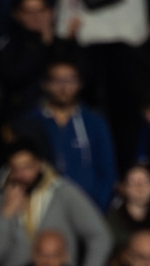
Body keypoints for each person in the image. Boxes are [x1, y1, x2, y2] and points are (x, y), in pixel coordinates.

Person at [0, 143, 113, 266]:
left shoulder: (63, 193)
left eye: (26, 167)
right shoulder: (1, 201)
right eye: (15, 169)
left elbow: (100, 236)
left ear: (39, 164)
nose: (21, 175)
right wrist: (5, 215)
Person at [21, 59, 117, 210]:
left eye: (70, 80)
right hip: (43, 209)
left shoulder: (94, 122)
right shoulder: (31, 122)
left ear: (80, 84)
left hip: (88, 208)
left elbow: (107, 171)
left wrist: (98, 207)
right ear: (45, 84)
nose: (64, 87)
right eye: (57, 80)